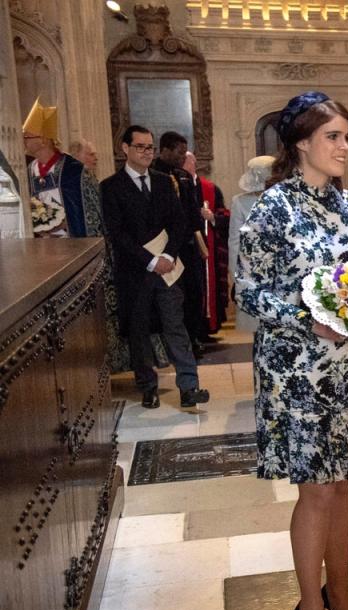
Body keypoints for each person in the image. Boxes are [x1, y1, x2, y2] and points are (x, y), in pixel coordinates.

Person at [235, 92, 348, 610]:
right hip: (293, 364)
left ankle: (342, 595)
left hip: (343, 362)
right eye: (333, 136)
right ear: (302, 142)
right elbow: (247, 292)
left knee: (343, 484)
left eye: (347, 136)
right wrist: (309, 319)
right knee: (316, 490)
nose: (344, 146)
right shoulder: (271, 208)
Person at [100, 125, 209, 410]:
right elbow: (117, 233)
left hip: (167, 268)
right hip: (135, 272)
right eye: (140, 147)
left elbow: (179, 221)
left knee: (176, 326)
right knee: (139, 331)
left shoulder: (163, 182)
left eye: (150, 147)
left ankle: (189, 386)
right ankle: (147, 387)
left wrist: (168, 256)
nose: (147, 152)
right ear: (125, 149)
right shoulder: (111, 187)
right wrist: (150, 260)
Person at [152, 131, 208, 354]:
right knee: (172, 297)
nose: (181, 156)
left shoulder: (182, 177)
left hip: (186, 244)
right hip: (163, 246)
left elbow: (192, 213)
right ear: (164, 150)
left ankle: (192, 337)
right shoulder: (155, 175)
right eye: (178, 152)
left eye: (184, 152)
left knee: (193, 293)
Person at [22, 98, 102, 238]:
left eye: (27, 136)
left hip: (72, 245)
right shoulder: (29, 170)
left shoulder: (76, 171)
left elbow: (94, 213)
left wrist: (61, 223)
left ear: (43, 140)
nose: (23, 140)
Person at [183, 151, 230, 335]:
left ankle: (207, 326)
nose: (185, 165)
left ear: (194, 163)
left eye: (188, 161)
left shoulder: (210, 189)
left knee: (208, 284)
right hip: (186, 247)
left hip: (208, 246)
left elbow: (225, 215)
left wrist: (212, 218)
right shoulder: (174, 186)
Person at [229, 155, 274, 332]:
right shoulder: (239, 202)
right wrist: (235, 274)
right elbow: (235, 240)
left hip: (279, 268)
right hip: (251, 271)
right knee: (257, 326)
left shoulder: (283, 199)